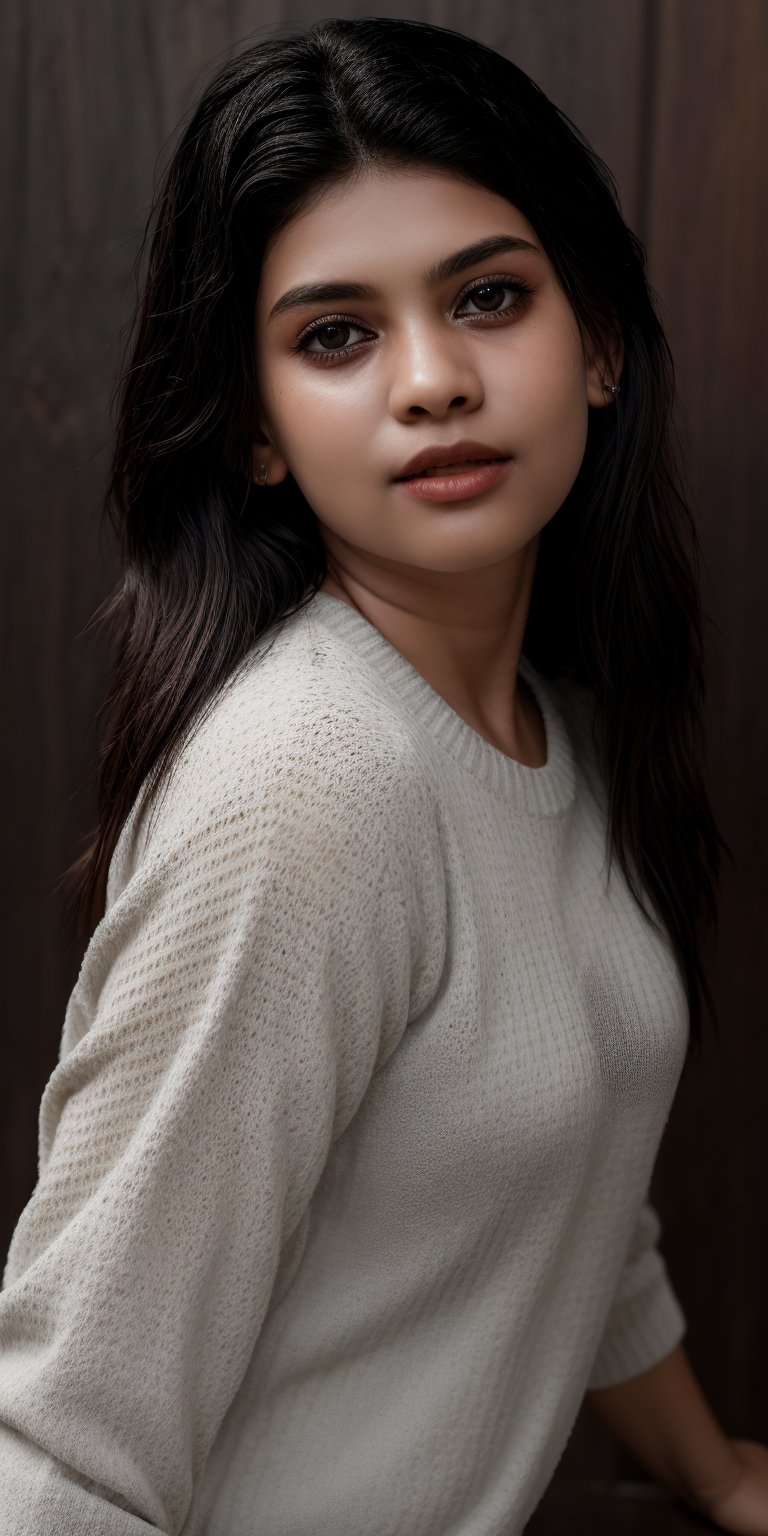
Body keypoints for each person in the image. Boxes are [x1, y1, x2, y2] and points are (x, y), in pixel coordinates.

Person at [0, 15, 765, 1535]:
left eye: (490, 298)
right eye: (335, 335)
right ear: (259, 431)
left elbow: (575, 1200)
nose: (431, 381)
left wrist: (719, 1475)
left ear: (599, 340)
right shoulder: (308, 789)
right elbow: (65, 1445)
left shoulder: (561, 725)